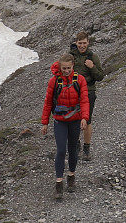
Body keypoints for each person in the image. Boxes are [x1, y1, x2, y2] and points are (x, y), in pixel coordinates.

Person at [41, 53, 90, 200]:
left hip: (75, 120)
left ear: (73, 66)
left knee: (73, 148)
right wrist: (45, 122)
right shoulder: (54, 81)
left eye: (69, 68)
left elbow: (85, 101)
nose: (66, 70)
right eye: (64, 68)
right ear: (60, 67)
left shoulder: (80, 80)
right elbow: (48, 102)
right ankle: (59, 184)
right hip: (60, 120)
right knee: (61, 150)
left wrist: (84, 118)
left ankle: (71, 176)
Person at [70, 31, 104, 161]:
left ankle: (86, 149)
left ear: (88, 43)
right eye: (80, 43)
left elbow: (100, 76)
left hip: (89, 92)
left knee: (87, 120)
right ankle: (76, 146)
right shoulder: (70, 56)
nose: (82, 46)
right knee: (73, 119)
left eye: (84, 43)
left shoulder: (92, 57)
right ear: (76, 43)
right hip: (73, 92)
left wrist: (92, 67)